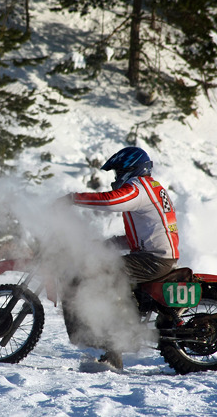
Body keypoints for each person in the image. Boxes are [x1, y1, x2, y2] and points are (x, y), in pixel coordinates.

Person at [58, 146, 179, 369]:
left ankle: (112, 343)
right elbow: (149, 233)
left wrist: (73, 199)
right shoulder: (152, 188)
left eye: (117, 173)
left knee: (98, 275)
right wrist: (108, 244)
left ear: (130, 169)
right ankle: (110, 344)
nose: (116, 179)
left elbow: (112, 201)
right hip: (155, 255)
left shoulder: (139, 187)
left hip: (153, 259)